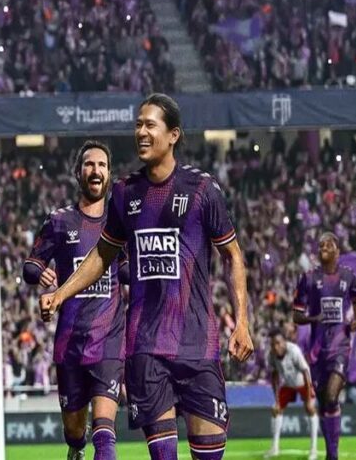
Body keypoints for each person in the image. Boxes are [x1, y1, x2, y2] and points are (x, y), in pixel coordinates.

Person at [41, 94, 254, 460]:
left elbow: (233, 254)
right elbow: (102, 255)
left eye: (150, 125)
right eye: (138, 124)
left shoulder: (202, 190)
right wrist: (61, 293)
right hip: (146, 350)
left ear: (173, 135)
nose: (140, 131)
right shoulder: (125, 192)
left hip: (198, 347)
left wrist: (243, 323)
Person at [24, 140, 128, 460]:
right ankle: (75, 448)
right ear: (78, 172)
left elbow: (127, 272)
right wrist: (40, 275)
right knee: (74, 431)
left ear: (109, 174)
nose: (96, 170)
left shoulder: (120, 222)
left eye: (102, 165)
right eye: (89, 164)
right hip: (70, 343)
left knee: (104, 431)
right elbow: (31, 266)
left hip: (109, 341)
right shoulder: (60, 221)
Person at [293, 233, 356, 460]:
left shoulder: (348, 276)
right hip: (317, 352)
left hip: (340, 347)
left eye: (328, 244)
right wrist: (314, 318)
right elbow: (296, 315)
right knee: (324, 404)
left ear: (337, 251)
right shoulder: (308, 278)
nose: (323, 247)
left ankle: (333, 456)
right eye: (321, 244)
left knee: (332, 397)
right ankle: (330, 451)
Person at [266, 329, 318, 459]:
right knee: (276, 409)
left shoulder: (294, 351)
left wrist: (309, 398)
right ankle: (275, 448)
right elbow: (275, 377)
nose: (276, 347)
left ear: (284, 342)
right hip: (288, 384)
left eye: (278, 343)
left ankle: (313, 449)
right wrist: (277, 400)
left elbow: (306, 372)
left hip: (303, 382)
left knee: (310, 409)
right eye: (273, 344)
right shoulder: (271, 355)